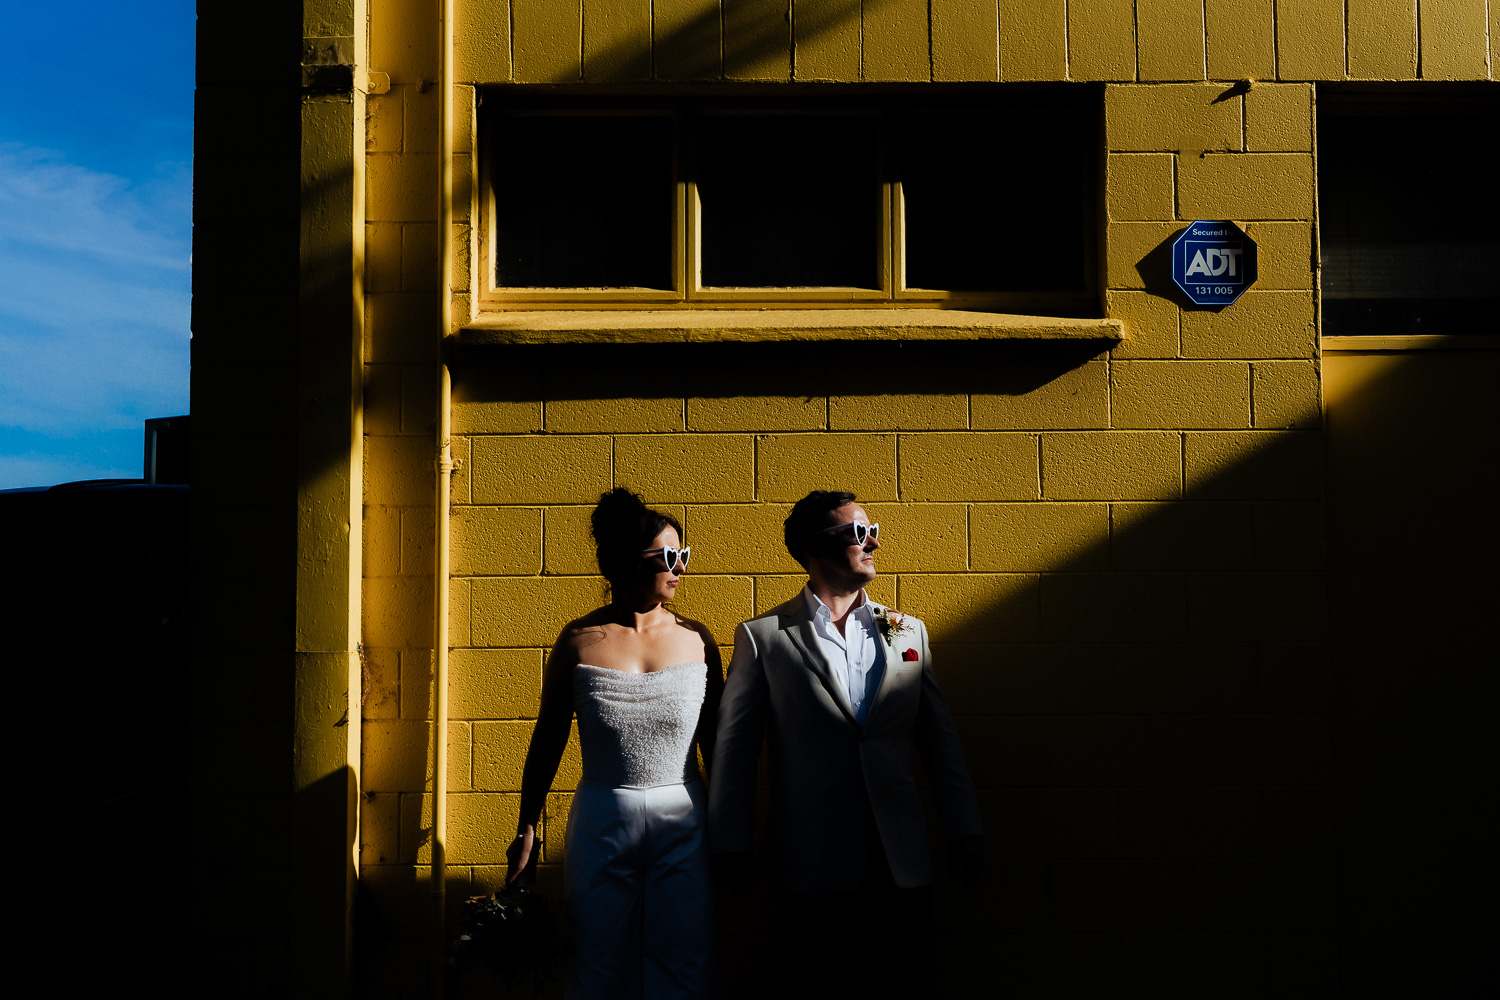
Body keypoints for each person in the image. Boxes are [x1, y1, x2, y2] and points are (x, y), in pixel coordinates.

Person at [708, 489, 983, 998]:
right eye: (857, 532)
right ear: (814, 548)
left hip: (900, 860)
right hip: (810, 861)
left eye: (871, 529)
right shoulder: (763, 636)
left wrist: (964, 827)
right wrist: (729, 843)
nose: (873, 541)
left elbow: (939, 741)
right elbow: (736, 752)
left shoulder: (908, 632)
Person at [507, 488, 723, 999]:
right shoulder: (579, 639)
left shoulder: (699, 639)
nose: (681, 568)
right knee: (598, 957)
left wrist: (730, 827)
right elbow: (548, 741)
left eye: (683, 555)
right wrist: (527, 827)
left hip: (685, 815)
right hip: (603, 814)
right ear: (631, 560)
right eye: (669, 557)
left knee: (685, 957)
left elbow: (718, 742)